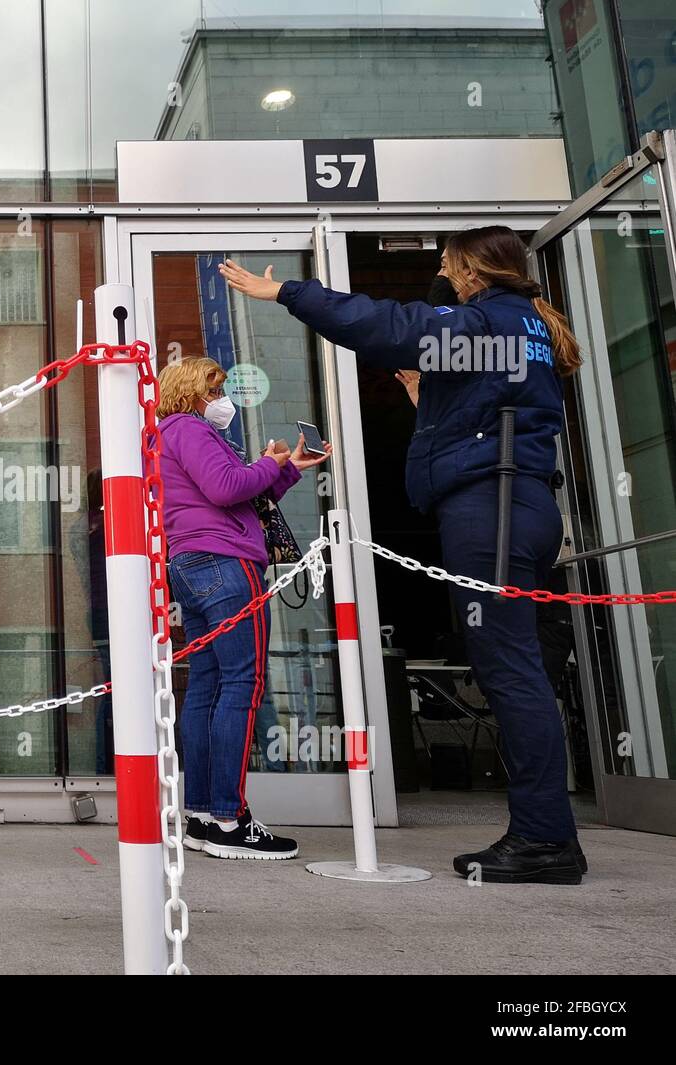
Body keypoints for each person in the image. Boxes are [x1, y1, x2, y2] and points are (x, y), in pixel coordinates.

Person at [220, 225, 588, 884]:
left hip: (493, 510)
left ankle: (544, 838)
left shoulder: (485, 323)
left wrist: (284, 290)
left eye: (448, 265)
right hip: (516, 501)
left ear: (473, 269)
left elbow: (386, 324)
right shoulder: (521, 324)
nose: (441, 276)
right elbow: (486, 406)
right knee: (516, 669)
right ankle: (545, 831)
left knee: (509, 673)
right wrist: (428, 401)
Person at [156, 357, 329, 860]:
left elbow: (231, 494)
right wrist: (268, 464)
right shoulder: (189, 428)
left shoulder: (170, 433)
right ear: (192, 391)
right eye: (216, 388)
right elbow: (228, 488)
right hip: (226, 563)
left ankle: (204, 815)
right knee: (241, 684)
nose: (222, 398)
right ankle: (231, 819)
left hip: (192, 562)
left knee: (208, 686)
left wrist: (286, 468)